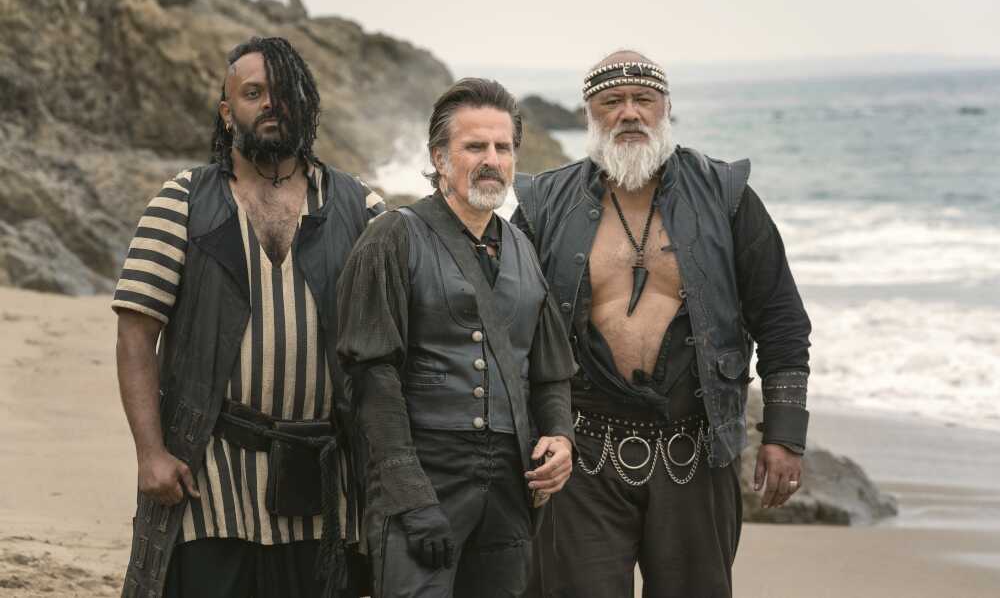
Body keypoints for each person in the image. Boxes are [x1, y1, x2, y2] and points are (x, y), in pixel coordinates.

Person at [512, 50, 812, 598]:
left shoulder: (726, 195)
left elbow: (781, 319)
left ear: (666, 108)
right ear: (589, 114)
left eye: (643, 99)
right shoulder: (542, 204)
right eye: (612, 101)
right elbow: (509, 329)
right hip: (580, 452)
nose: (629, 113)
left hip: (696, 449)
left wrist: (785, 434)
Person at [113, 36, 383, 598]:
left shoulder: (361, 209)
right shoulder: (183, 202)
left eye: (284, 92)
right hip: (209, 480)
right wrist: (150, 453)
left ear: (306, 102)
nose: (270, 104)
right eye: (254, 93)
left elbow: (403, 337)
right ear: (226, 110)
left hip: (325, 482)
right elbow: (136, 334)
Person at [336, 78, 576, 598]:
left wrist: (560, 437)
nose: (492, 160)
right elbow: (372, 379)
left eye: (503, 148)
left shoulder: (523, 248)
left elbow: (550, 371)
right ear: (439, 158)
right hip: (426, 475)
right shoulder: (393, 237)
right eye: (475, 147)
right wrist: (409, 495)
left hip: (511, 486)